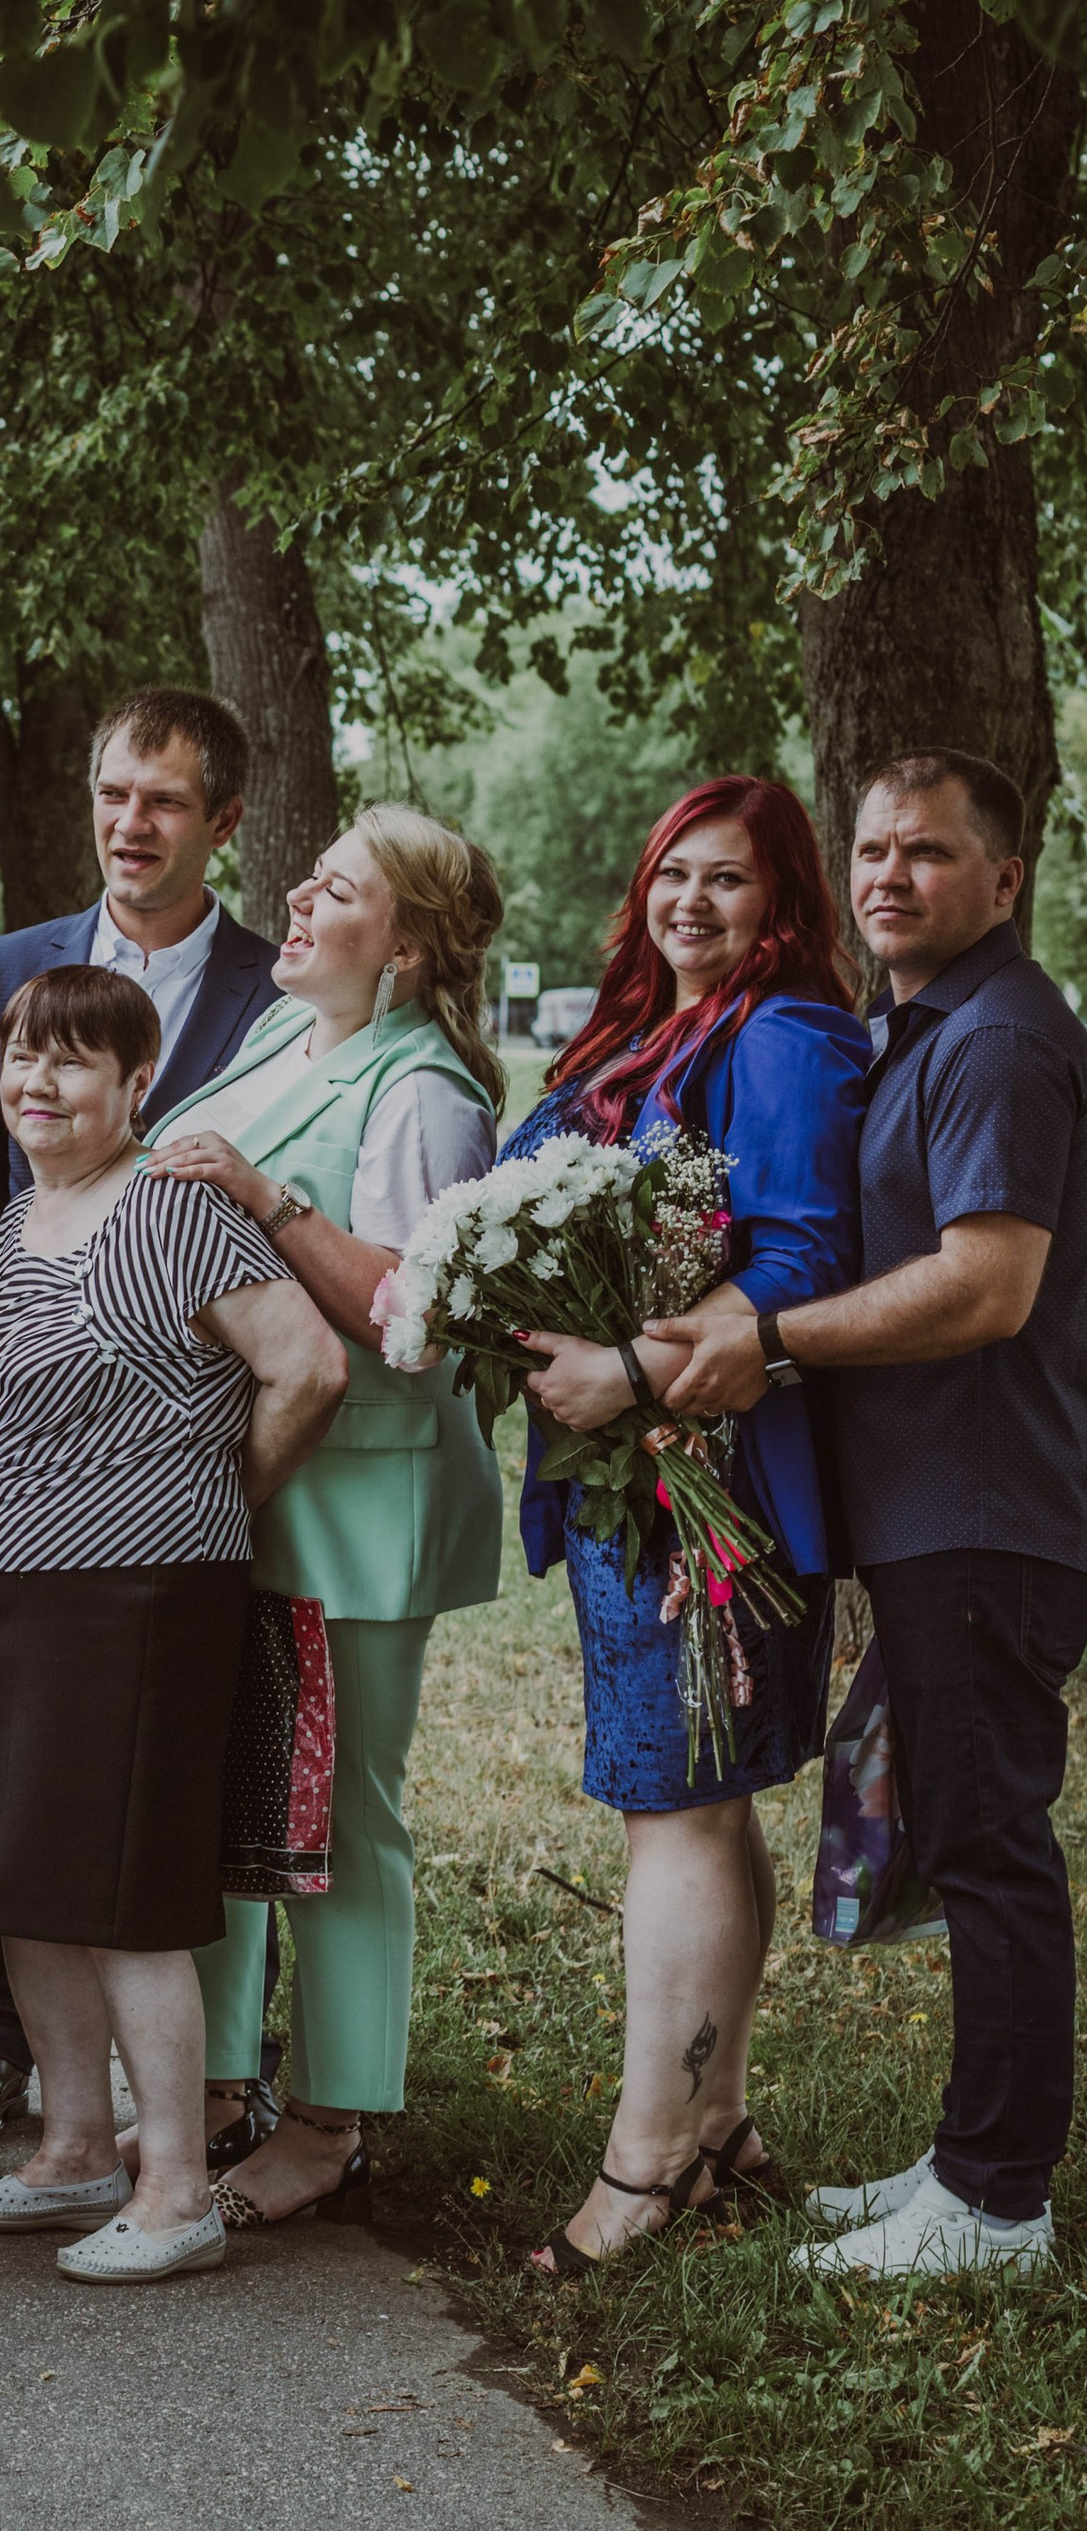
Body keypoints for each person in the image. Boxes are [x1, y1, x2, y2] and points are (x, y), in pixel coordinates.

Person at [655, 749, 1087, 2281]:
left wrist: (769, 1339)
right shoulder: (923, 1028)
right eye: (874, 849)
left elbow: (988, 1284)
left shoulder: (1004, 1040)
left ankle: (997, 2205)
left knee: (988, 1849)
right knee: (971, 1840)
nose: (890, 874)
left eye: (930, 851)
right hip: (928, 1512)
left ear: (1006, 879)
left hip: (986, 1509)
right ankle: (967, 2165)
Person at [488, 777, 868, 2274]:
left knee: (680, 1805)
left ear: (782, 905)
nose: (692, 903)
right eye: (673, 875)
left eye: (729, 881)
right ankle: (715, 2123)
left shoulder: (781, 1038)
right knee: (693, 1800)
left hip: (708, 1484)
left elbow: (799, 1255)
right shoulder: (643, 1031)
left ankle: (644, 2166)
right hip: (634, 1468)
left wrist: (636, 1375)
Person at [0, 967, 346, 2283]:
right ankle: (72, 2150)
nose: (40, 1084)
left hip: (141, 1588)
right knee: (26, 1886)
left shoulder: (173, 1209)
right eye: (24, 1059)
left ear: (135, 1085)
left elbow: (309, 1364)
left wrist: (222, 1485)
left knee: (124, 1895)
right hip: (5, 1577)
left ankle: (175, 2192)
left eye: (75, 1065)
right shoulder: (18, 1214)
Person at [139, 806, 508, 2226]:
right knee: (228, 1800)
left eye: (337, 889)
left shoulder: (424, 1093)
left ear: (405, 950)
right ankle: (219, 2084)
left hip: (359, 1500)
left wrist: (269, 1198)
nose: (296, 898)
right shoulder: (278, 1043)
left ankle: (334, 2114)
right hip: (233, 1478)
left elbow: (417, 1320)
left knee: (343, 1821)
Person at [0, 684, 282, 2143]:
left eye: (166, 802)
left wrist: (211, 1483)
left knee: (139, 1847)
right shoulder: (13, 963)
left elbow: (292, 1349)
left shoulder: (274, 993)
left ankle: (195, 2128)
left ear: (223, 822)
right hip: (15, 1470)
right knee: (10, 1838)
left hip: (164, 1491)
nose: (131, 827)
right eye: (113, 795)